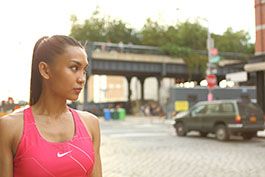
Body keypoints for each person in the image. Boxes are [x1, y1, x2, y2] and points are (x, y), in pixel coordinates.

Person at [0, 35, 102, 177]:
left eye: (83, 70)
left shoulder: (91, 124)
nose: (82, 78)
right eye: (74, 68)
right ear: (45, 70)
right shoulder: (10, 128)